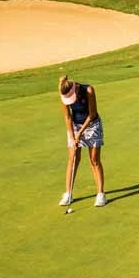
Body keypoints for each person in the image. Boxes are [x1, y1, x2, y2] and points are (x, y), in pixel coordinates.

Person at [58, 75, 106, 207]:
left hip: (92, 124)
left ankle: (101, 194)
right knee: (73, 158)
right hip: (74, 126)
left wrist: (80, 133)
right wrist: (72, 136)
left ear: (75, 89)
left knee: (94, 160)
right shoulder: (63, 93)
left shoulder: (88, 90)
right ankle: (68, 193)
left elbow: (92, 114)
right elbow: (67, 117)